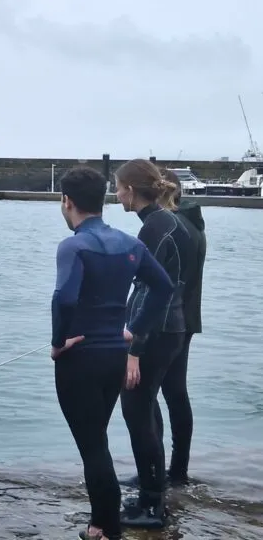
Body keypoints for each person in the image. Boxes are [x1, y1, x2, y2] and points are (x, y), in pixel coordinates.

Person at [52, 166, 174, 540]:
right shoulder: (130, 244)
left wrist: (58, 343)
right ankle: (102, 522)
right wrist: (134, 330)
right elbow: (164, 288)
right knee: (98, 440)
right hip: (114, 357)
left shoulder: (73, 245)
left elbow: (64, 297)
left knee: (93, 447)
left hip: (80, 357)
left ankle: (103, 527)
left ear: (67, 201)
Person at [114, 159, 193, 529]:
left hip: (157, 331)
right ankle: (154, 485)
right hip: (170, 328)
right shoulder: (168, 222)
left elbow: (153, 291)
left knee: (136, 411)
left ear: (131, 190)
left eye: (117, 188)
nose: (116, 196)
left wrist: (134, 348)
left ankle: (151, 506)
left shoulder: (156, 228)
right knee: (146, 408)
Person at [120, 168, 207, 491]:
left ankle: (163, 478)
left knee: (158, 396)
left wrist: (136, 342)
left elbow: (156, 286)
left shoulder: (170, 226)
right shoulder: (191, 224)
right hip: (184, 317)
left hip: (169, 319)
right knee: (171, 394)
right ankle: (171, 473)